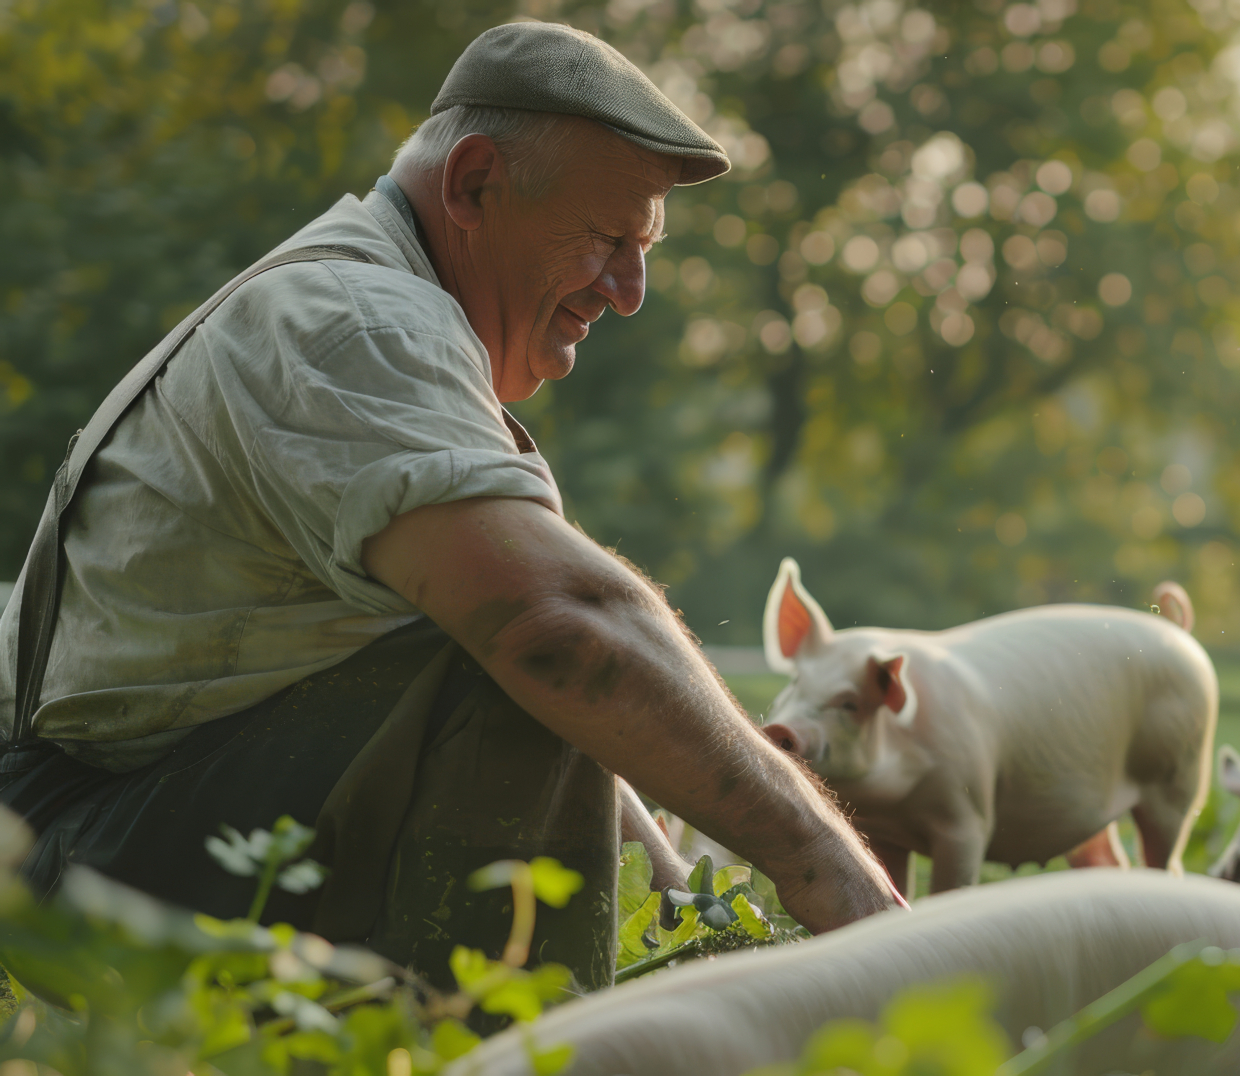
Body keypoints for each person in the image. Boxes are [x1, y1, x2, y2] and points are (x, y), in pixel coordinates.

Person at [0, 22, 901, 988]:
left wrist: (680, 913)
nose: (630, 291)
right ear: (473, 185)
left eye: (643, 248)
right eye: (608, 238)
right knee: (530, 643)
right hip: (72, 855)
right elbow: (557, 632)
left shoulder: (376, 309)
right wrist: (840, 881)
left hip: (132, 825)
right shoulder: (357, 322)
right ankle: (500, 1047)